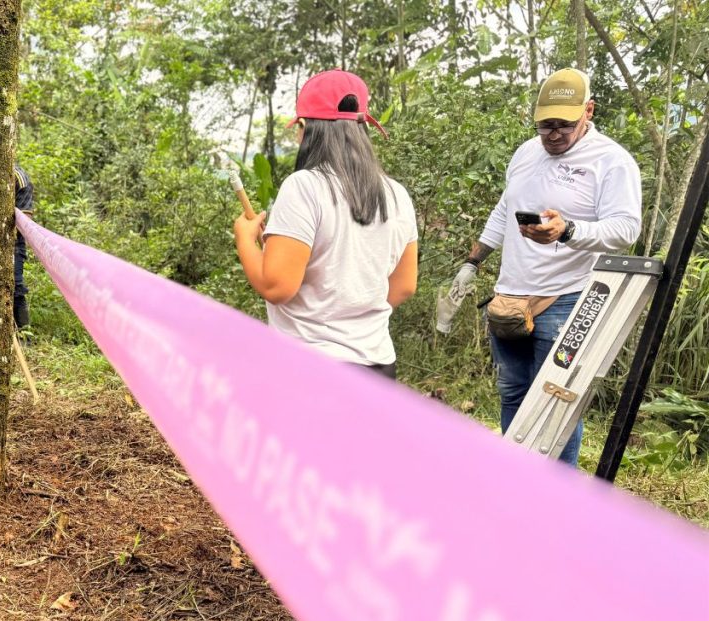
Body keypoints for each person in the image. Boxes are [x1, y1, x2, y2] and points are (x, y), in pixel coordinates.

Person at [441, 68, 642, 466]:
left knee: (555, 403)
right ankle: (519, 484)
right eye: (545, 124)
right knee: (512, 392)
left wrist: (568, 231)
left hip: (566, 299)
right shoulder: (525, 153)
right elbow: (504, 210)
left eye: (563, 125)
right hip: (510, 298)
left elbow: (626, 228)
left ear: (589, 111)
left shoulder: (611, 161)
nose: (552, 134)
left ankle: (557, 499)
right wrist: (471, 263)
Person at [233, 69, 418, 379]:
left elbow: (276, 286)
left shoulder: (304, 186)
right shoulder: (396, 194)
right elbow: (404, 286)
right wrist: (351, 311)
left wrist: (245, 240)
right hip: (378, 366)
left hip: (311, 368)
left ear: (305, 127)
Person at [12, 164, 34, 329]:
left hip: (13, 242)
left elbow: (26, 218)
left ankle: (23, 334)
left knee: (16, 286)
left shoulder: (20, 178)